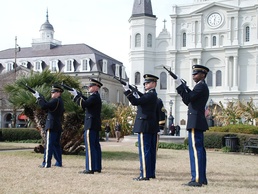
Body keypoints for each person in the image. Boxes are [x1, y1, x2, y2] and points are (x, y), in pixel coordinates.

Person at [175, 64, 209, 187]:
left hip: (195, 121)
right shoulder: (199, 87)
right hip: (196, 121)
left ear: (203, 75)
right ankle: (201, 178)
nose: (194, 75)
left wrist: (180, 86)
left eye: (196, 73)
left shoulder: (200, 87)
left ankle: (197, 179)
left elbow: (188, 99)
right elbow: (189, 99)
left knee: (196, 151)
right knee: (198, 150)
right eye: (193, 73)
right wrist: (184, 87)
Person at [122, 74, 159, 181]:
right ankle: (150, 173)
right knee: (150, 151)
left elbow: (135, 102)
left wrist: (127, 90)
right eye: (145, 83)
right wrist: (134, 91)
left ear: (154, 84)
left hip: (144, 125)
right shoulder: (151, 95)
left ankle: (144, 174)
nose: (145, 84)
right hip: (149, 125)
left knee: (144, 150)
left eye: (148, 83)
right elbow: (141, 97)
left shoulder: (150, 95)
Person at [69, 78, 103, 174]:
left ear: (96, 87)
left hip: (90, 124)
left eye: (91, 86)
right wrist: (78, 94)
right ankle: (96, 167)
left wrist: (76, 96)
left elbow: (84, 104)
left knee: (90, 146)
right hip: (94, 124)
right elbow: (87, 100)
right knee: (95, 146)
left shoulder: (94, 97)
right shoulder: (95, 97)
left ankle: (90, 168)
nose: (89, 87)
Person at [33, 84, 64, 168]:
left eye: (53, 92)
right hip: (57, 125)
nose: (52, 94)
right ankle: (58, 162)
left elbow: (44, 106)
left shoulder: (55, 101)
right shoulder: (59, 101)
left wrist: (38, 98)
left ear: (58, 93)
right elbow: (48, 107)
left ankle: (46, 163)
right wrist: (42, 98)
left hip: (51, 125)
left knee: (49, 145)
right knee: (56, 145)